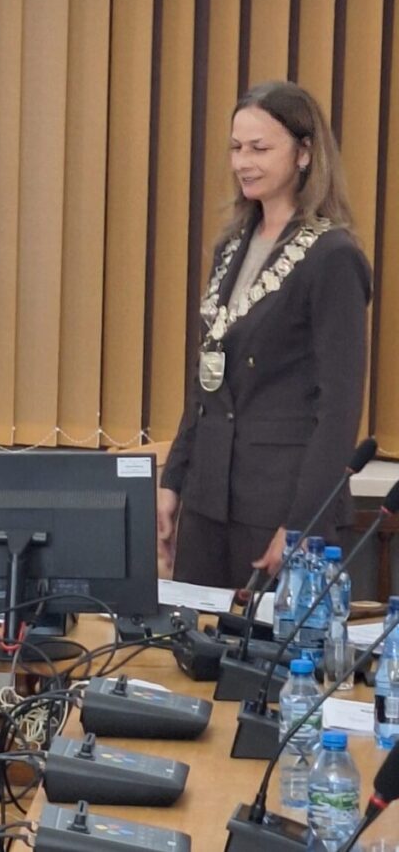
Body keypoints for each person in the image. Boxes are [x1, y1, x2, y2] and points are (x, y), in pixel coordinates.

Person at [158, 80, 372, 592]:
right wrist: (173, 482)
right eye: (236, 148)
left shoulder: (333, 257)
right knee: (192, 639)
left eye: (259, 148)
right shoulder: (231, 246)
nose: (243, 162)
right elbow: (206, 381)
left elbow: (338, 409)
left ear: (304, 153)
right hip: (209, 502)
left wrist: (301, 526)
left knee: (265, 644)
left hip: (280, 505)